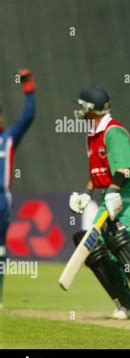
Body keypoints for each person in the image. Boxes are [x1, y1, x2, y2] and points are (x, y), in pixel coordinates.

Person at [69, 85, 130, 319]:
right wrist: (85, 193)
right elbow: (98, 173)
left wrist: (113, 192)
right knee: (93, 245)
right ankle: (127, 300)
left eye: (82, 106)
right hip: (110, 192)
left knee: (117, 236)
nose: (79, 110)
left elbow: (124, 168)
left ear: (91, 109)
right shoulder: (93, 133)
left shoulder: (114, 132)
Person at [0, 69, 36, 308]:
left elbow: (28, 115)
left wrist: (29, 89)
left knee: (1, 248)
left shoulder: (9, 137)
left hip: (2, 199)